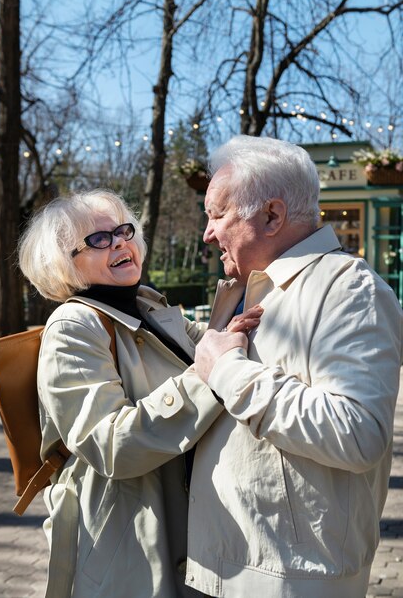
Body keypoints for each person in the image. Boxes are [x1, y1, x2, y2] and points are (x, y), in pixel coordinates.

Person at [186, 135, 403, 598]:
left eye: (217, 214)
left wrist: (228, 371)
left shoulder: (349, 290)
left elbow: (359, 432)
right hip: (220, 566)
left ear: (271, 215)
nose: (207, 233)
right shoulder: (244, 288)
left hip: (291, 579)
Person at [18, 188, 262, 598]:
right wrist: (206, 376)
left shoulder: (147, 307)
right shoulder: (73, 327)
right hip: (128, 540)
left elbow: (215, 344)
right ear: (63, 262)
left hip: (186, 525)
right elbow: (111, 444)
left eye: (123, 230)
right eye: (98, 239)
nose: (119, 242)